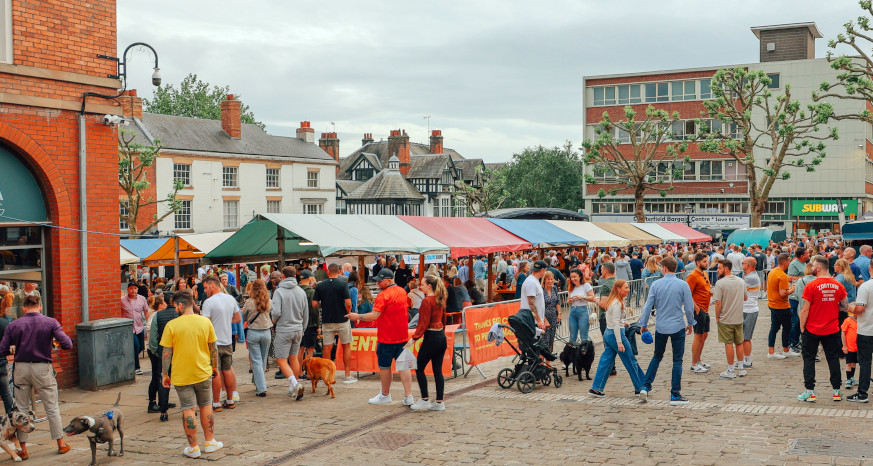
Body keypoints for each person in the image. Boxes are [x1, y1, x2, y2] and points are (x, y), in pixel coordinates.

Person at [0, 295, 72, 458]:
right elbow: (67, 344)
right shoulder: (51, 322)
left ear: (24, 308)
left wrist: (14, 348)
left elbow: (2, 350)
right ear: (40, 307)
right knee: (52, 406)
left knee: (22, 409)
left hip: (22, 368)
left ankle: (23, 450)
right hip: (43, 368)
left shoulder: (14, 325)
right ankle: (61, 444)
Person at [159, 289, 224, 459]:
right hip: (203, 372)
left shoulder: (172, 326)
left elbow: (166, 353)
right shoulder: (205, 322)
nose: (175, 310)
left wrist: (164, 374)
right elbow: (213, 347)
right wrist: (215, 367)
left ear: (180, 305)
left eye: (175, 307)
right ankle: (209, 442)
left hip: (182, 375)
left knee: (188, 409)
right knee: (206, 405)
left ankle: (193, 447)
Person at [348, 269, 414, 405]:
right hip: (402, 335)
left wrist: (358, 316)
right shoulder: (402, 291)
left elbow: (374, 315)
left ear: (389, 280)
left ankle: (385, 394)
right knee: (404, 366)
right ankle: (409, 396)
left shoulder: (383, 295)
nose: (377, 282)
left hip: (386, 337)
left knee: (385, 367)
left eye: (380, 280)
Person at [640, 256, 696, 406]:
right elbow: (689, 307)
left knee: (657, 356)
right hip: (677, 325)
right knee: (677, 360)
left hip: (661, 326)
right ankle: (675, 394)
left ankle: (646, 386)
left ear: (664, 268)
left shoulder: (656, 284)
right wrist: (690, 323)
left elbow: (647, 306)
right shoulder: (683, 284)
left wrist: (643, 324)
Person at [798, 255, 848, 403]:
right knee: (833, 358)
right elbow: (845, 305)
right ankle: (836, 391)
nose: (811, 268)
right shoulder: (837, 284)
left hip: (812, 328)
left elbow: (805, 309)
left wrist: (802, 327)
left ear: (819, 268)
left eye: (813, 266)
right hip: (831, 328)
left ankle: (810, 391)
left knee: (809, 359)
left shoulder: (811, 285)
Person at [589, 280, 647, 400]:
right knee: (630, 360)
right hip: (616, 334)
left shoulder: (614, 301)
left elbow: (613, 319)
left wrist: (623, 322)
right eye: (626, 287)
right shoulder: (616, 304)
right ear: (618, 289)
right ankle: (641, 387)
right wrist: (620, 342)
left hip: (609, 333)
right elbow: (615, 322)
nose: (628, 289)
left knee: (606, 361)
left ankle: (596, 387)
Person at [408, 275, 449, 411]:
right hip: (441, 336)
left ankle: (425, 399)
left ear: (429, 286)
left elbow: (423, 323)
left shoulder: (427, 301)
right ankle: (439, 402)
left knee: (419, 367)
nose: (420, 286)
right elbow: (443, 319)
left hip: (431, 337)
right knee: (438, 370)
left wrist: (414, 338)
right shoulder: (440, 299)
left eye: (422, 284)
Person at [200, 275, 240, 410]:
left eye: (205, 287)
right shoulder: (231, 299)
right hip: (227, 340)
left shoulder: (209, 302)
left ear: (212, 285)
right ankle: (230, 400)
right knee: (227, 369)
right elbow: (237, 318)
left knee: (215, 372)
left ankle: (216, 402)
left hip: (213, 342)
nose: (204, 290)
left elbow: (205, 324)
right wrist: (225, 321)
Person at [313, 263, 357, 384]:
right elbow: (348, 303)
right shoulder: (343, 284)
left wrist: (324, 306)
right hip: (342, 319)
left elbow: (314, 304)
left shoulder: (320, 285)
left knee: (327, 348)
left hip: (327, 320)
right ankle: (347, 375)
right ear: (339, 271)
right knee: (346, 346)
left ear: (328, 271)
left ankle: (326, 375)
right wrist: (347, 313)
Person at [272, 266, 310, 399]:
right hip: (298, 328)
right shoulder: (301, 291)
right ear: (295, 276)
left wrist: (273, 321)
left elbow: (276, 312)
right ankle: (293, 386)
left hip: (284, 329)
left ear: (282, 276)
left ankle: (295, 383)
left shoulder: (279, 291)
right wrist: (303, 328)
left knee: (281, 360)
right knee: (294, 357)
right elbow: (306, 313)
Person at [713, 259, 747, 379]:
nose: (717, 270)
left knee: (728, 343)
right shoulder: (741, 281)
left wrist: (717, 317)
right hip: (738, 317)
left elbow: (717, 302)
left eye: (719, 268)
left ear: (726, 268)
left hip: (726, 318)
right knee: (739, 342)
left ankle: (731, 369)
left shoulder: (720, 283)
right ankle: (741, 368)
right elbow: (745, 298)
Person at [243, 280, 273, 397]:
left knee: (256, 361)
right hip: (266, 332)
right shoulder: (269, 301)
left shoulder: (249, 302)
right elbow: (272, 314)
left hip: (253, 332)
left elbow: (244, 316)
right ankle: (257, 382)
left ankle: (261, 388)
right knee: (263, 359)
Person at [850, 259, 873, 402]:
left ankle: (862, 392)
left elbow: (860, 308)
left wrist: (851, 308)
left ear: (870, 268)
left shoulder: (866, 286)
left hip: (867, 329)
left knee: (865, 362)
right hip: (867, 328)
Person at [767, 253, 797, 359]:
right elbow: (783, 293)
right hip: (781, 305)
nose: (789, 263)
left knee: (774, 328)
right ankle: (786, 349)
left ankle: (771, 351)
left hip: (772, 303)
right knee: (787, 328)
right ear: (785, 262)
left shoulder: (772, 272)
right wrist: (792, 289)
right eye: (789, 261)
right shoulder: (782, 275)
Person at [686, 252, 713, 373]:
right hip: (699, 309)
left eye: (707, 261)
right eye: (704, 261)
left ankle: (698, 360)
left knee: (704, 335)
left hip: (705, 309)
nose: (707, 263)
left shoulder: (704, 274)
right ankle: (693, 363)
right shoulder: (693, 276)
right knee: (698, 336)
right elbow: (687, 294)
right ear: (698, 262)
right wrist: (696, 308)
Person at [121, 282, 148, 375]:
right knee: (135, 346)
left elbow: (146, 311)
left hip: (139, 327)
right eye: (131, 288)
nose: (133, 290)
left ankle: (129, 359)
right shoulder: (122, 300)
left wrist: (147, 324)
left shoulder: (142, 299)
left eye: (135, 288)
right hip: (129, 329)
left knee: (140, 347)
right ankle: (136, 367)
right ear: (128, 289)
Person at [788, 248, 810, 353]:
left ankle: (796, 341)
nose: (809, 254)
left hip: (802, 295)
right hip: (794, 296)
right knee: (795, 321)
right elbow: (790, 278)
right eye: (807, 253)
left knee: (800, 319)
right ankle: (792, 342)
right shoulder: (794, 264)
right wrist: (803, 278)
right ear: (802, 256)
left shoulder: (804, 263)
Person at [741, 257, 761, 369]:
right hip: (746, 308)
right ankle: (745, 359)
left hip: (749, 309)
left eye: (743, 263)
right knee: (743, 337)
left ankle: (748, 360)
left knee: (746, 337)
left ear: (747, 265)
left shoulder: (751, 277)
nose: (742, 264)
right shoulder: (749, 276)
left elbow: (740, 290)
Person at [297, 270, 320, 367]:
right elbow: (314, 310)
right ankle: (309, 371)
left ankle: (299, 371)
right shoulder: (311, 291)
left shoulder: (295, 290)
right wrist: (317, 325)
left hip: (297, 323)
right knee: (310, 349)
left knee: (300, 349)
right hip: (310, 323)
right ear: (309, 278)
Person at [567, 269, 595, 344]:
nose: (573, 279)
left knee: (584, 336)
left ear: (580, 276)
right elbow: (567, 301)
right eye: (571, 277)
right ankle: (572, 353)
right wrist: (570, 301)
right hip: (573, 311)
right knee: (572, 336)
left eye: (575, 277)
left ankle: (584, 353)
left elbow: (592, 297)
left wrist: (583, 297)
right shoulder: (571, 287)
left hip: (583, 311)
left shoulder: (586, 285)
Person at [519, 261, 549, 330]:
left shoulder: (534, 280)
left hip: (534, 320)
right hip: (532, 321)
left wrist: (543, 318)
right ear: (542, 270)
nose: (545, 273)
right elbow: (531, 304)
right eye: (545, 271)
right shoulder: (531, 283)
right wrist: (538, 320)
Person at [541, 271, 561, 351]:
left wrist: (559, 313)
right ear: (544, 280)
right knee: (544, 340)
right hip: (544, 317)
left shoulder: (554, 288)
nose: (550, 281)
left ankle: (548, 361)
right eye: (548, 279)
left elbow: (557, 302)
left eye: (551, 279)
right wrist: (544, 320)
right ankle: (542, 361)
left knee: (551, 339)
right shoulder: (541, 290)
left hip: (553, 316)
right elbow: (539, 306)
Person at [842, 312, 859, 390]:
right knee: (848, 363)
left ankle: (852, 377)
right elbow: (843, 333)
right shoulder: (848, 320)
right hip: (849, 347)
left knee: (854, 363)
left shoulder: (860, 321)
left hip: (857, 347)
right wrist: (845, 346)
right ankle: (848, 379)